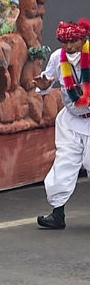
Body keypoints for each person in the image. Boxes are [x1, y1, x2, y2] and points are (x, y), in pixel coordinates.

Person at [33, 19, 90, 230]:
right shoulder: (58, 58)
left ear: (83, 38)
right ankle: (58, 214)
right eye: (64, 42)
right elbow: (47, 82)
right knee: (63, 165)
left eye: (73, 41)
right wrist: (44, 85)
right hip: (70, 120)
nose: (68, 46)